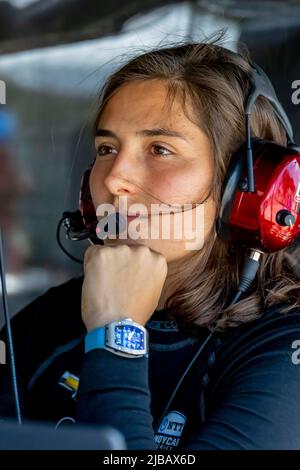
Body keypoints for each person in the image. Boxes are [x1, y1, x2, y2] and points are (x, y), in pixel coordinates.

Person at [1, 40, 300, 451]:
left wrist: (116, 330)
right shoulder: (49, 322)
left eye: (160, 149)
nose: (113, 177)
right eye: (107, 149)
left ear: (245, 191)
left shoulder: (284, 349)